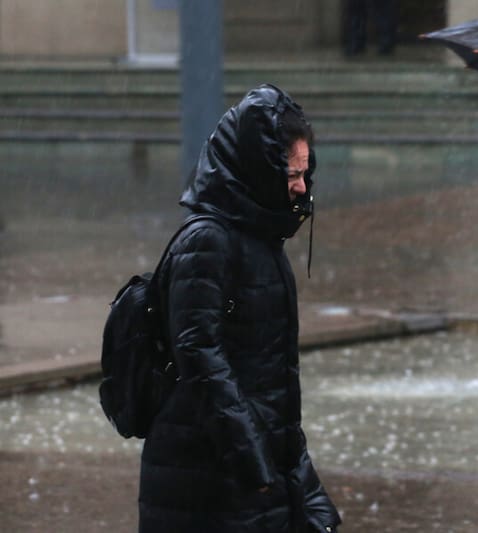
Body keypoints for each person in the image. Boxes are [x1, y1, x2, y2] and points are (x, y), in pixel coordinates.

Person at [138, 84, 341, 533]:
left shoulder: (261, 239)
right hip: (209, 476)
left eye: (305, 173)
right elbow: (198, 355)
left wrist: (290, 476)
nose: (301, 187)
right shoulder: (208, 240)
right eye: (290, 174)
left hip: (250, 468)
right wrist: (252, 456)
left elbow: (270, 379)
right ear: (256, 167)